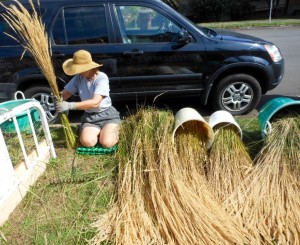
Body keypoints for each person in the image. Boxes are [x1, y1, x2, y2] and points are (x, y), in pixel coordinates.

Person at [55, 50, 121, 148]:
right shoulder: (79, 78)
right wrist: (56, 97)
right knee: (87, 142)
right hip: (90, 117)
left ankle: (108, 131)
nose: (77, 71)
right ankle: (98, 133)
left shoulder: (101, 78)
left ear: (89, 68)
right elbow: (65, 94)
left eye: (80, 69)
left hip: (108, 116)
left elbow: (95, 103)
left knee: (107, 143)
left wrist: (69, 105)